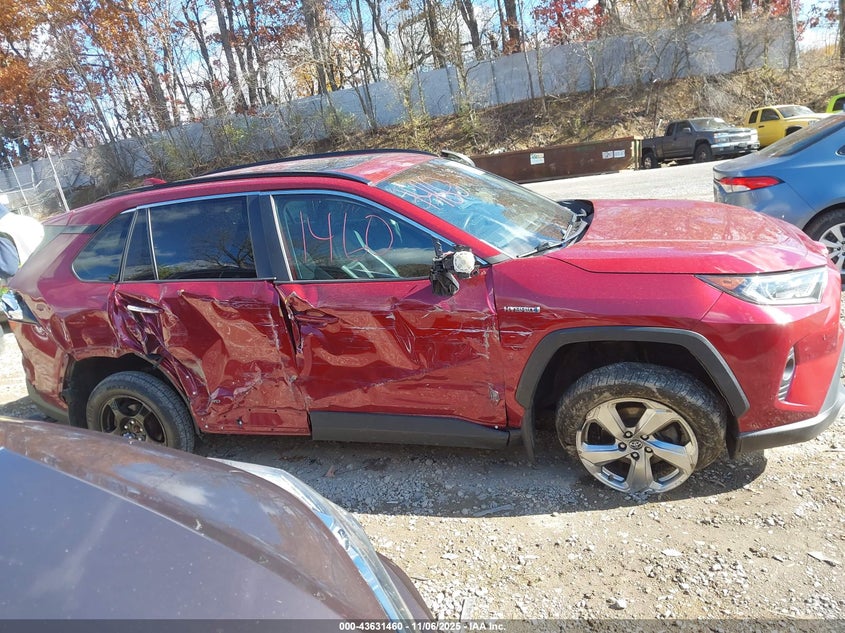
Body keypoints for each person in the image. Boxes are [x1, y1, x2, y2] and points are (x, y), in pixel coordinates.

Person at [0, 202, 44, 315]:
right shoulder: (27, 220)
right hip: (48, 277)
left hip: (28, 291)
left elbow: (8, 268)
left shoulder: (2, 230)